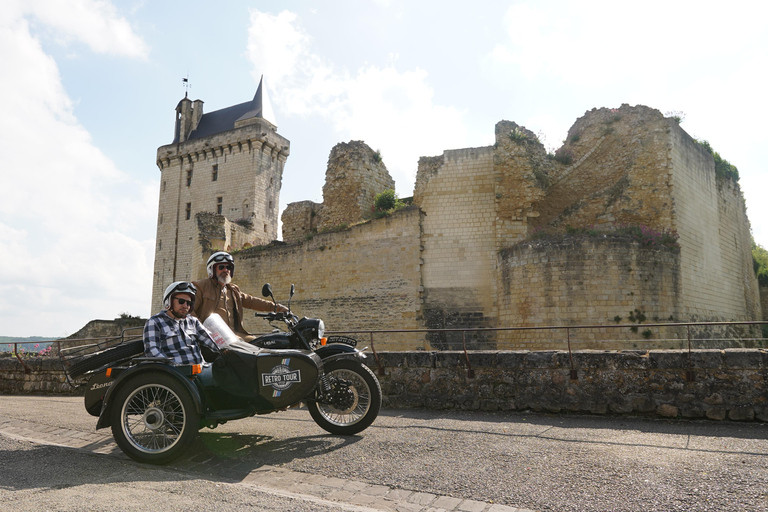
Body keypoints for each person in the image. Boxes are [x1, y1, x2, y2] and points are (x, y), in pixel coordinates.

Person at [192, 251, 288, 342]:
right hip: (214, 336)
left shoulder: (233, 290)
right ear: (211, 269)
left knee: (264, 343)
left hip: (235, 334)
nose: (226, 270)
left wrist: (277, 307)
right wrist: (203, 331)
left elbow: (252, 302)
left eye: (228, 267)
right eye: (221, 267)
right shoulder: (200, 286)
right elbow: (190, 311)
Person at [143, 281, 221, 365]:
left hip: (201, 369)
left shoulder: (193, 321)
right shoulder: (155, 322)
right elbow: (152, 352)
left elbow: (210, 339)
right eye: (181, 301)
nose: (185, 306)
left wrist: (227, 347)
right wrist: (172, 367)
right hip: (177, 374)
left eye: (189, 303)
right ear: (169, 301)